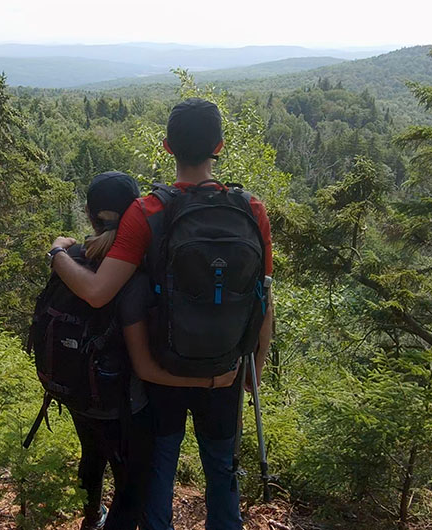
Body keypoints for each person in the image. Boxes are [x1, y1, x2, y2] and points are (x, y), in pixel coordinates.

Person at [46, 99, 275, 530]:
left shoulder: (147, 211)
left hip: (161, 368)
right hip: (225, 368)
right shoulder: (252, 209)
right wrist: (252, 375)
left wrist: (58, 253)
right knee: (222, 470)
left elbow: (98, 293)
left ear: (167, 147)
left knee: (160, 471)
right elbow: (263, 303)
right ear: (219, 146)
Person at [59, 172, 237, 530]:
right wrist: (220, 378)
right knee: (135, 484)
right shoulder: (139, 273)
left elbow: (89, 297)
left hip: (79, 391)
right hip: (133, 400)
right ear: (131, 217)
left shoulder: (73, 260)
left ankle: (92, 518)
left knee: (100, 458)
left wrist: (57, 251)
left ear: (90, 213)